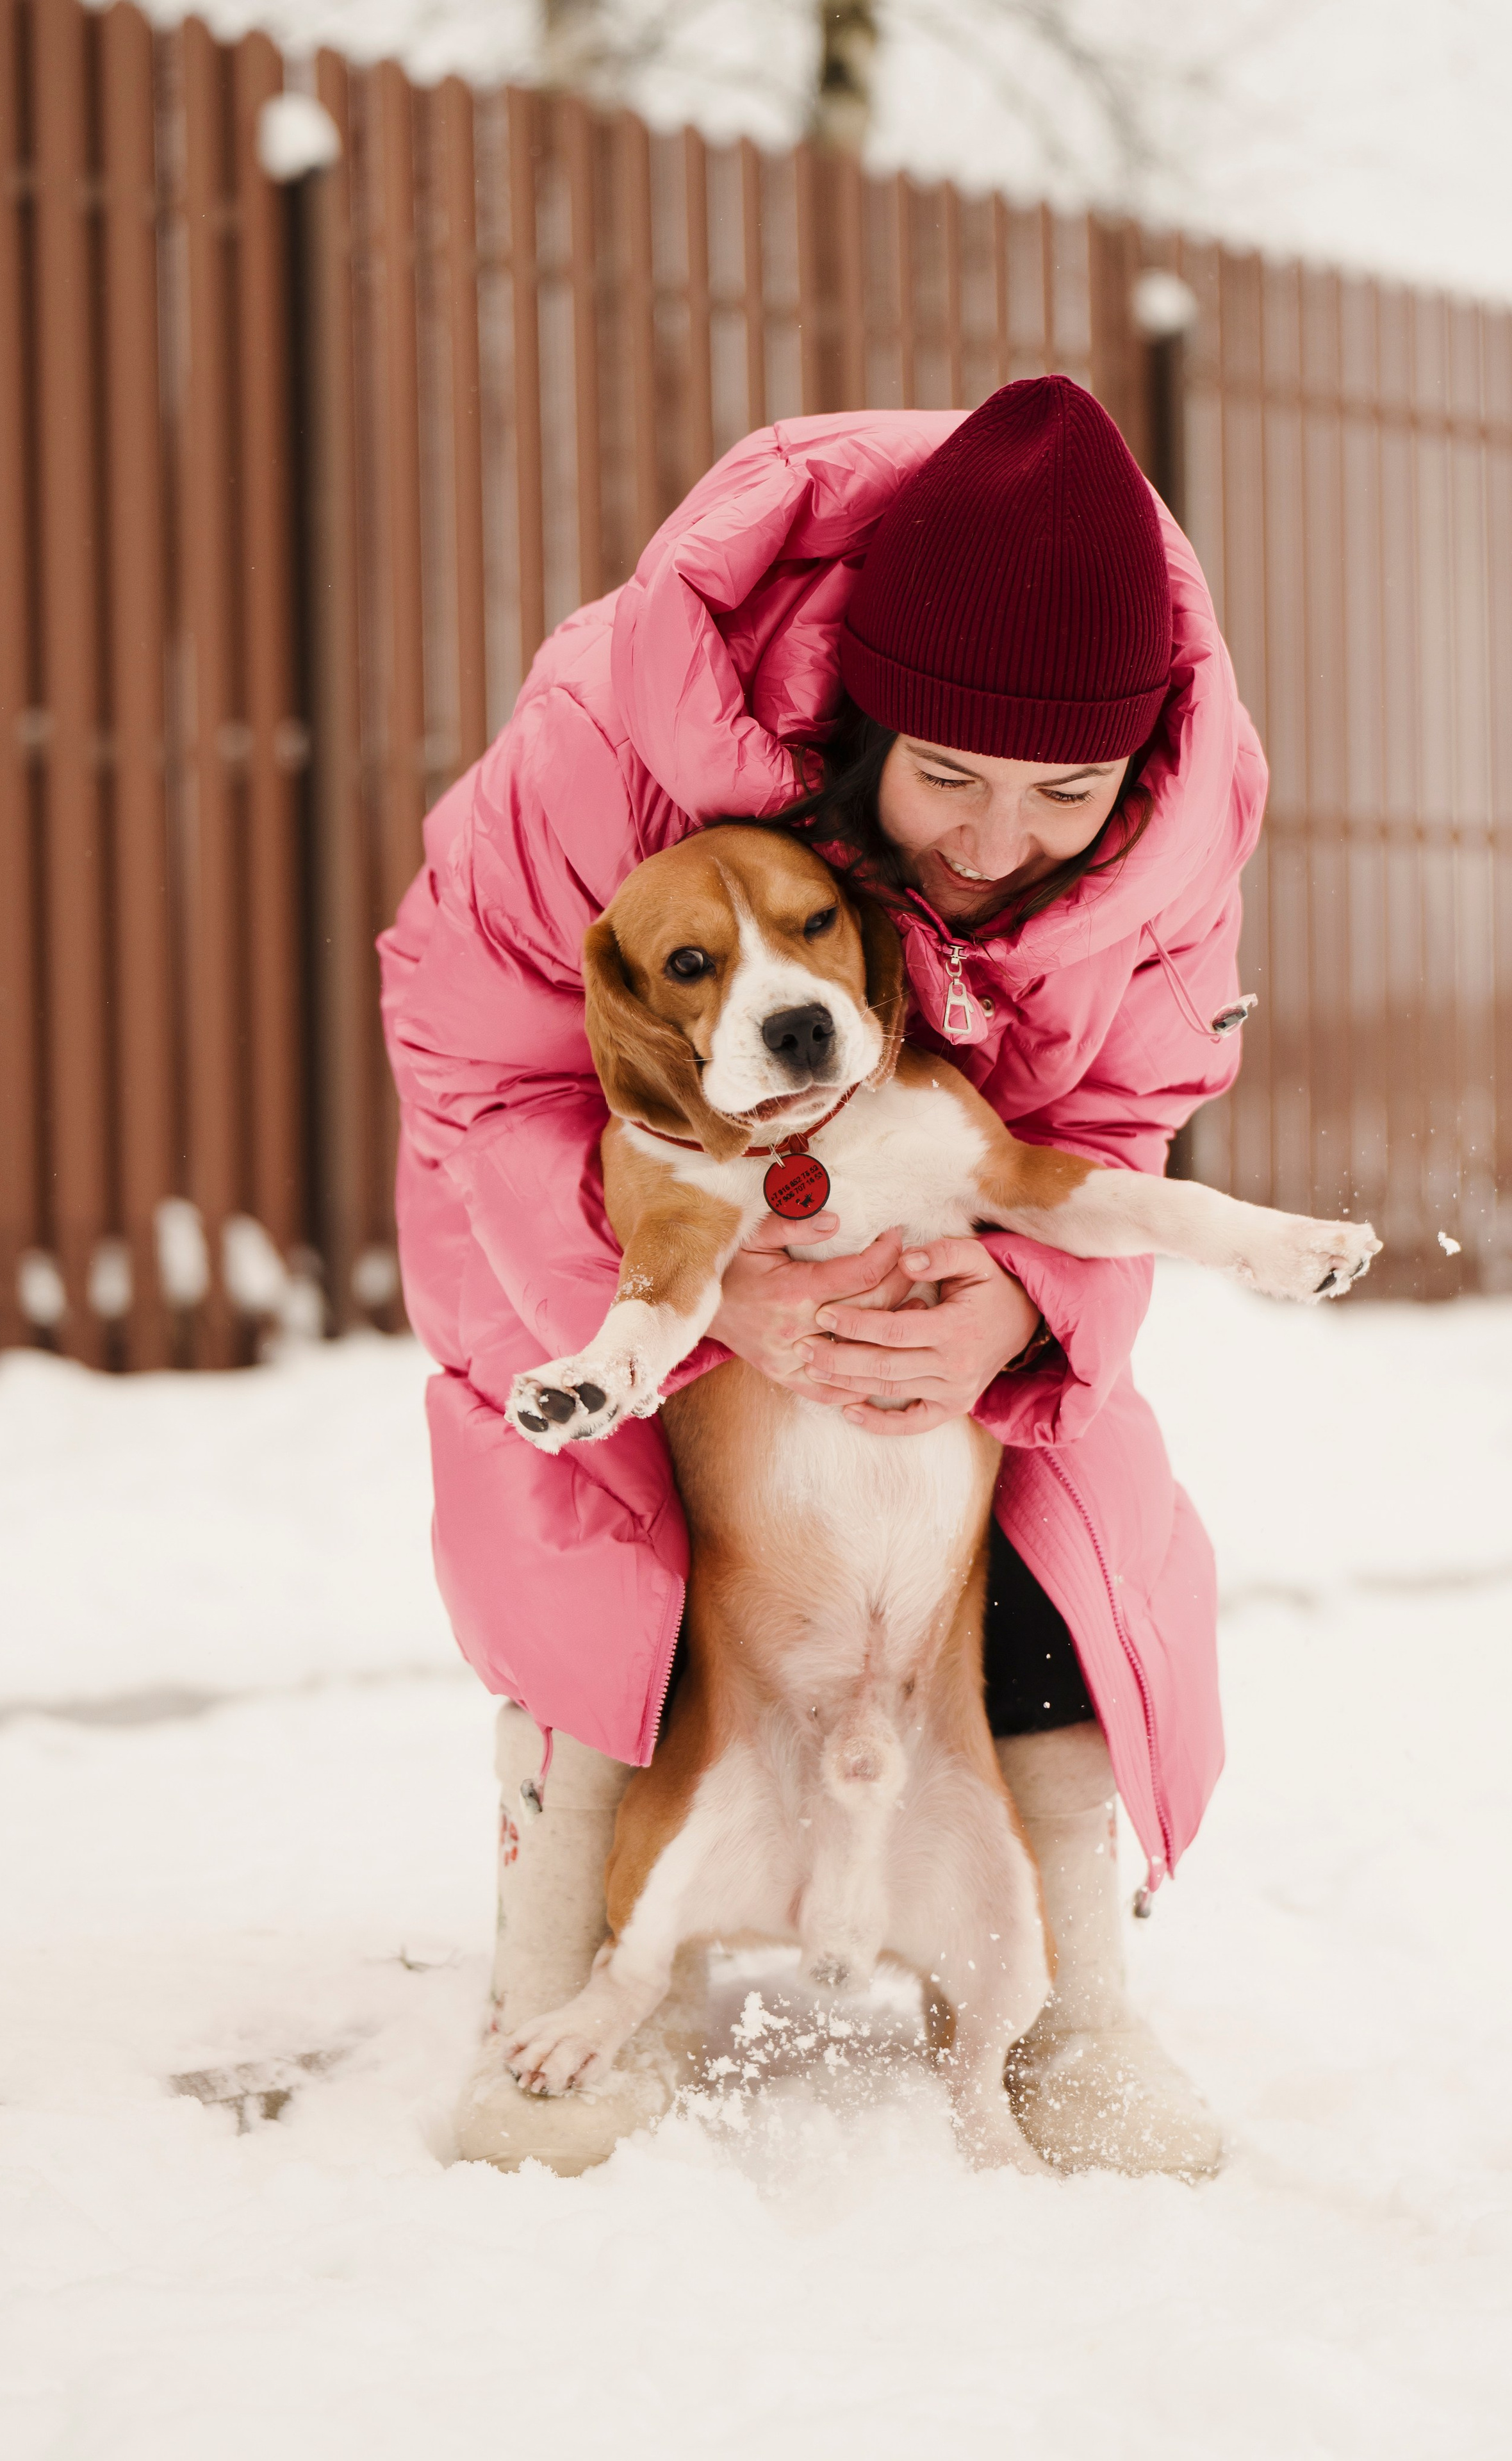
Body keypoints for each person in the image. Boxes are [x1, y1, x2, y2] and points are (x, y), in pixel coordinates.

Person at [379, 375, 1263, 2177]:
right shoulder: (609, 744)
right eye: (946, 778)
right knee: (582, 1495)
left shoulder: (1180, 829)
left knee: (1084, 1502)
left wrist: (1023, 1309)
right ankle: (552, 1959)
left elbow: (1129, 1110)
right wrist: (706, 1304)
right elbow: (478, 1068)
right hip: (589, 1198)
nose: (999, 843)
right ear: (862, 712)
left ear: (1142, 758)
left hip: (955, 1220)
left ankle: (1074, 2006)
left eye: (1064, 795)